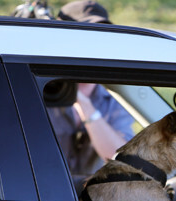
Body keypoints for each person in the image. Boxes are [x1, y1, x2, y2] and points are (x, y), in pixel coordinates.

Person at [48, 1, 135, 177]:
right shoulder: (40, 91)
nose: (94, 49)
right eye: (85, 39)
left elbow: (121, 161)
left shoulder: (115, 99)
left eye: (101, 39)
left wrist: (85, 106)